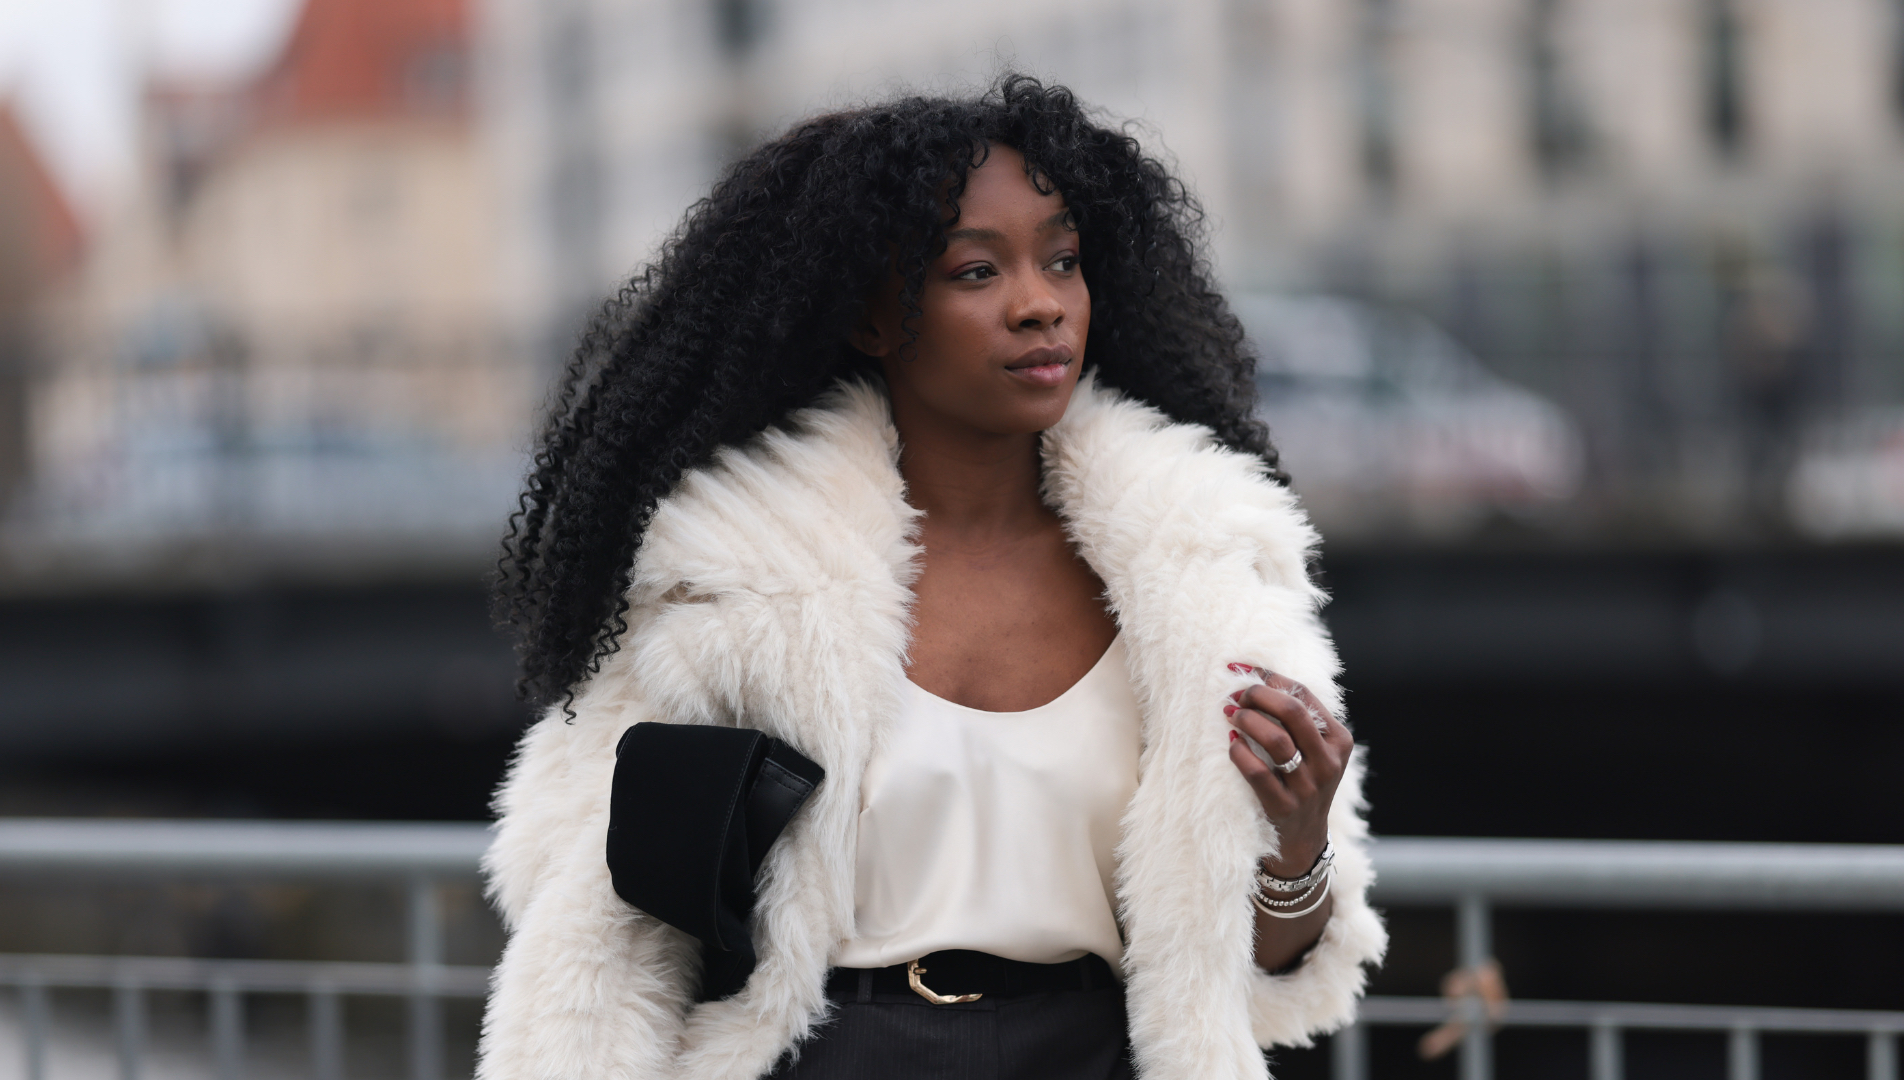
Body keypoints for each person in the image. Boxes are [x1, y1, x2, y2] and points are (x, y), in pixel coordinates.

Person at [479, 76, 1386, 1080]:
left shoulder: (1210, 578)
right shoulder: (733, 584)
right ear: (874, 317)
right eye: (976, 271)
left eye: (1063, 261)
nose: (1040, 305)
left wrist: (1298, 850)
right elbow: (602, 938)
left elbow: (1266, 977)